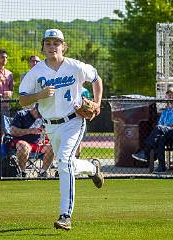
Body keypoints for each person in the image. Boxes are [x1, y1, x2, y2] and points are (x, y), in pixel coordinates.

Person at [19, 28, 104, 231]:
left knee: (64, 161)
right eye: (48, 43)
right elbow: (22, 99)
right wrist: (39, 95)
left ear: (63, 46)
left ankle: (65, 215)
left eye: (56, 43)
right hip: (50, 125)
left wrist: (97, 102)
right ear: (43, 47)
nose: (52, 46)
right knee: (67, 164)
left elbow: (96, 79)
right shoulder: (36, 72)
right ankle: (92, 168)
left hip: (73, 121)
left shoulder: (75, 66)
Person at [132, 87, 173, 173]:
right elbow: (160, 125)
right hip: (167, 134)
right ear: (166, 97)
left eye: (172, 94)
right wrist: (165, 128)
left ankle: (145, 152)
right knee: (160, 139)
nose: (170, 96)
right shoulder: (165, 112)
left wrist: (169, 126)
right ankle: (162, 166)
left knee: (159, 129)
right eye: (168, 94)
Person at [9, 105, 54, 177]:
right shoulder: (21, 114)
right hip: (23, 142)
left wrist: (46, 132)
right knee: (23, 145)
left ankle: (43, 172)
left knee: (52, 146)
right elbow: (12, 131)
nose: (40, 116)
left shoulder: (45, 116)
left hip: (39, 144)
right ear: (34, 109)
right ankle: (22, 172)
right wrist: (29, 131)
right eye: (39, 114)